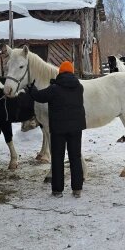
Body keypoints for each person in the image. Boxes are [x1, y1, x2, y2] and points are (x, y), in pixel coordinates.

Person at [28, 61, 86, 198]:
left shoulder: (54, 88)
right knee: (75, 157)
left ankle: (57, 190)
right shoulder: (79, 87)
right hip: (76, 128)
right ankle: (77, 189)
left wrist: (32, 88)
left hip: (58, 129)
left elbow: (39, 96)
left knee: (58, 158)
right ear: (72, 72)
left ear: (60, 72)